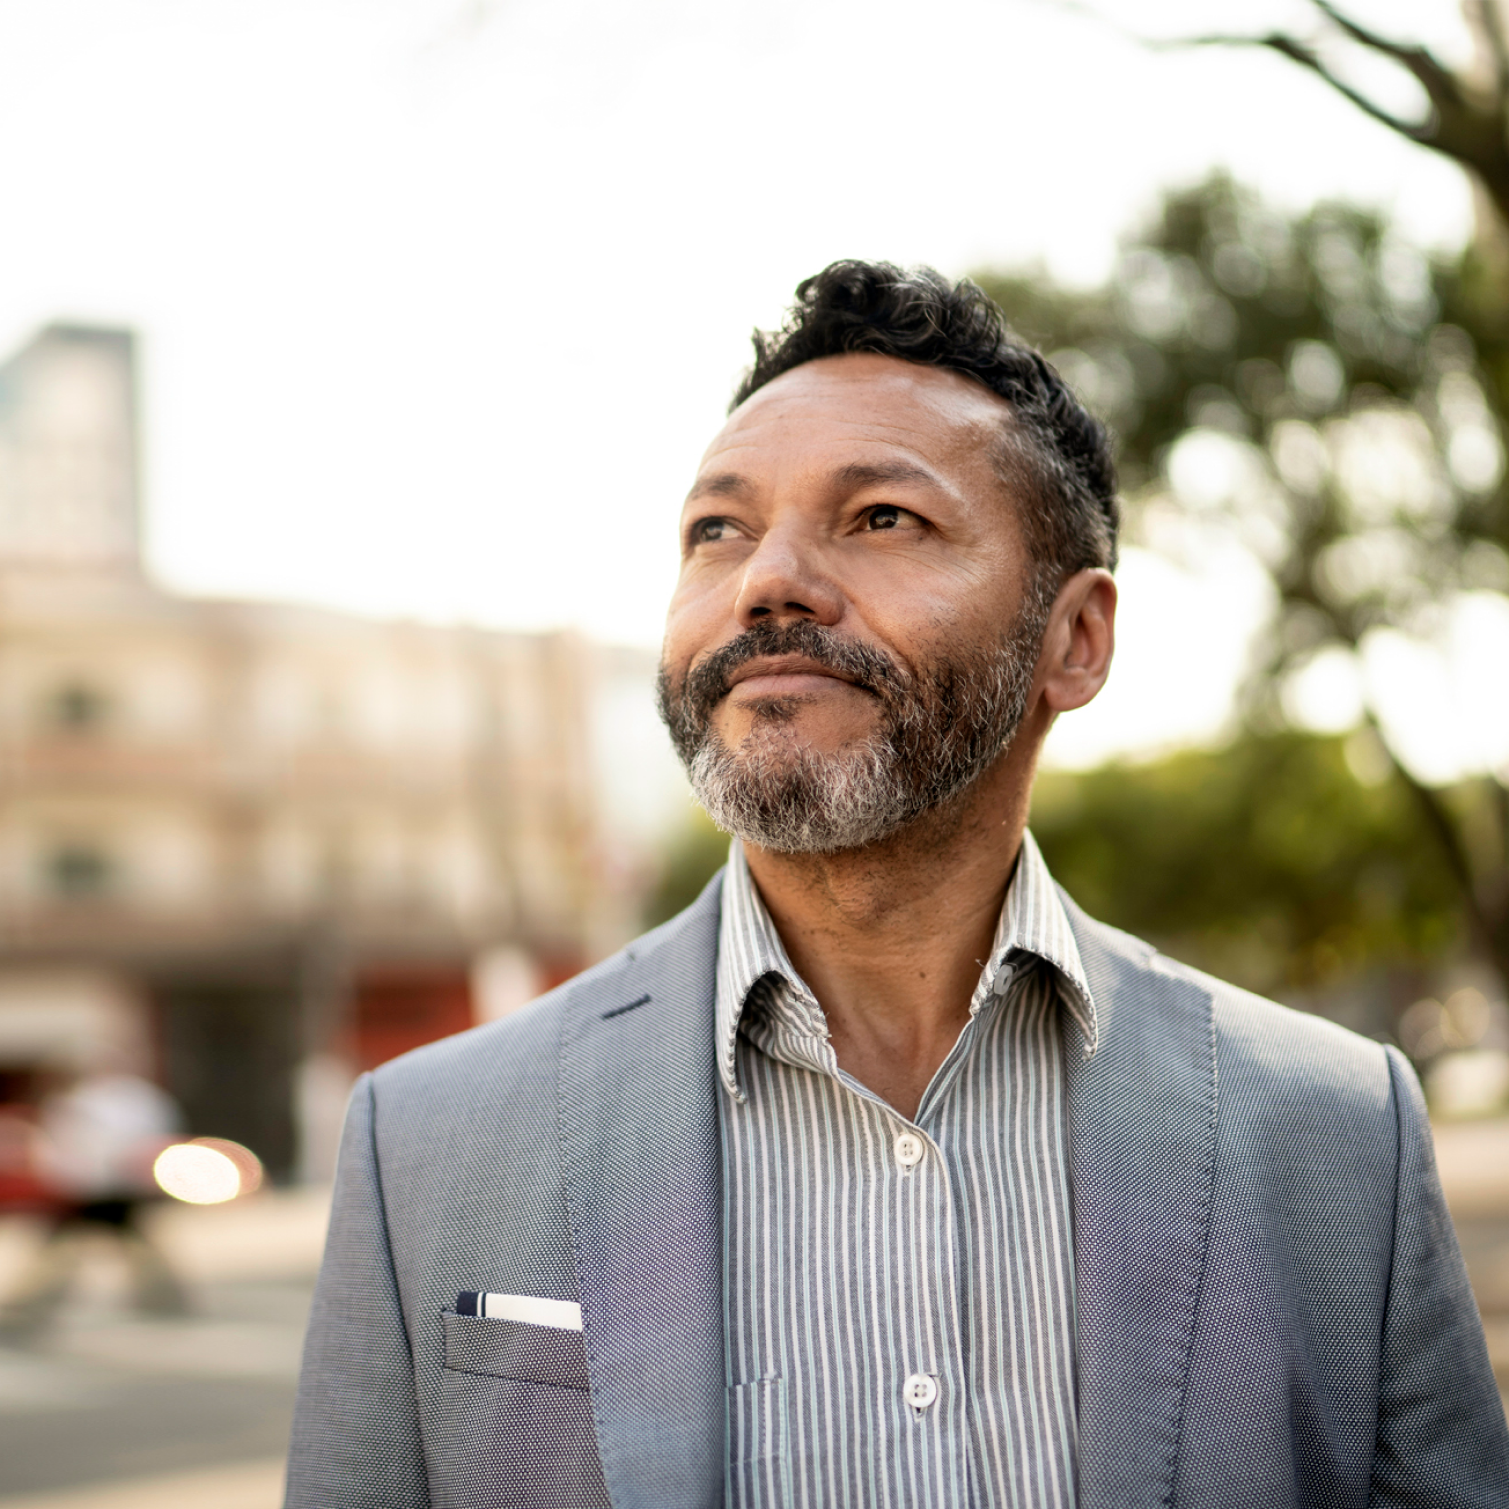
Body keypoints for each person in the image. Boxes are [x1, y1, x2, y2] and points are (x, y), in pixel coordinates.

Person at [286, 262, 1507, 1508]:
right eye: (719, 528)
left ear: (1074, 639)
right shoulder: (423, 1145)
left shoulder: (1340, 1136)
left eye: (881, 518)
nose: (767, 578)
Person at [0, 1064, 187, 1337]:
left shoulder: (114, 1102)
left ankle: (28, 1309)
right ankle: (29, 1308)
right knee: (65, 1252)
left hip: (107, 1189)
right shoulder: (79, 1104)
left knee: (66, 1252)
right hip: (89, 1190)